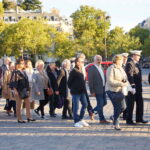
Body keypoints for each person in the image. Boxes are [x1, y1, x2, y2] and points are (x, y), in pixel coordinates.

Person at [106, 55, 132, 130]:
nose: (122, 61)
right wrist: (121, 84)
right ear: (116, 61)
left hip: (120, 90)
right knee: (117, 107)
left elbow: (125, 80)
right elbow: (110, 81)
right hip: (111, 90)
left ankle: (114, 117)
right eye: (121, 60)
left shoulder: (121, 68)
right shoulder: (111, 68)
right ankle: (116, 124)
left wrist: (130, 88)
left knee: (124, 107)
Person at [126, 50, 148, 125]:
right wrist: (132, 86)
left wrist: (143, 81)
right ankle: (129, 120)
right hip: (133, 88)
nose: (139, 57)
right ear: (134, 55)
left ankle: (139, 118)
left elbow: (137, 75)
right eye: (138, 56)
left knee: (140, 103)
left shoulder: (136, 64)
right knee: (130, 104)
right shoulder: (130, 63)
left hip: (138, 87)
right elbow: (129, 75)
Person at [88, 55, 109, 124]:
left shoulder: (101, 67)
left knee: (104, 103)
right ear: (94, 60)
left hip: (103, 88)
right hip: (97, 89)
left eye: (100, 59)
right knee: (100, 104)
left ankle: (92, 111)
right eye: (97, 59)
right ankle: (102, 119)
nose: (99, 60)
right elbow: (90, 81)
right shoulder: (92, 68)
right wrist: (92, 91)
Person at [68, 57, 89, 128]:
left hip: (82, 91)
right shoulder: (73, 71)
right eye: (81, 62)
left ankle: (80, 119)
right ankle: (76, 122)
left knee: (85, 104)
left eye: (83, 62)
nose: (83, 63)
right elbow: (69, 83)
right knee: (76, 107)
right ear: (77, 63)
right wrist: (73, 89)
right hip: (76, 92)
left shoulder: (81, 70)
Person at [77, 53, 94, 120]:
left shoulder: (83, 66)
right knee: (76, 102)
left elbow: (84, 76)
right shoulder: (76, 66)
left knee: (86, 101)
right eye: (82, 58)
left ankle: (91, 113)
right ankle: (74, 114)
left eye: (83, 59)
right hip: (77, 87)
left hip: (83, 85)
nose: (83, 60)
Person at [121, 53, 129, 120]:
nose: (125, 59)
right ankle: (123, 114)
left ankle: (125, 115)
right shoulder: (120, 66)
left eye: (126, 58)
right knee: (123, 102)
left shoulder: (127, 65)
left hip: (127, 86)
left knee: (126, 101)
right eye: (123, 57)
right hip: (121, 86)